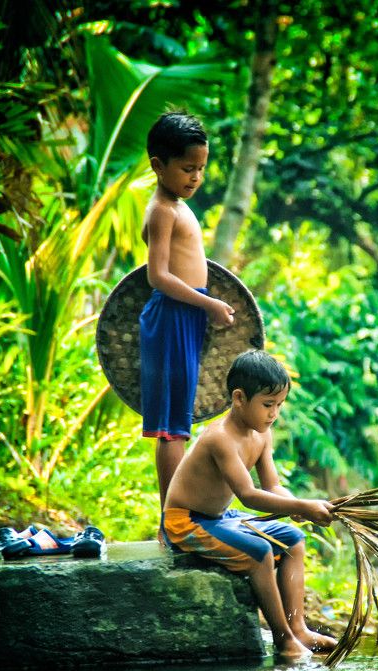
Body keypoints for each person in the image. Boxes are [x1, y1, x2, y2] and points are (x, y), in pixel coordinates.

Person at [162, 350, 338, 660]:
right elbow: (248, 495)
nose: (274, 414)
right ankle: (283, 640)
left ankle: (298, 628)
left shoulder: (262, 434)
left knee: (294, 541)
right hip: (187, 521)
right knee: (260, 553)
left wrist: (297, 505)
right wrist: (304, 506)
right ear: (239, 398)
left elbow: (272, 486)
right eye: (268, 405)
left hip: (220, 517)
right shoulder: (220, 438)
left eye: (279, 405)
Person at [140, 111, 235, 514]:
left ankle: (180, 512)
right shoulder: (162, 209)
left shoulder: (177, 204)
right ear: (159, 166)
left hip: (187, 317)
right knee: (171, 428)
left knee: (178, 420)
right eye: (187, 168)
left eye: (201, 168)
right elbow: (157, 276)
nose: (195, 177)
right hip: (172, 316)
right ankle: (173, 517)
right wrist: (208, 302)